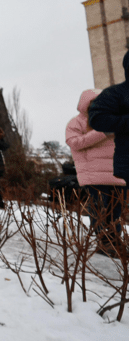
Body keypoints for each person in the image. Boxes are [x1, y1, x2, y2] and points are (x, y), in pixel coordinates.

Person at [67, 89, 126, 256]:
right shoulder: (77, 122)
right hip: (94, 175)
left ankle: (115, 242)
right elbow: (74, 143)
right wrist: (102, 132)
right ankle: (104, 242)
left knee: (116, 211)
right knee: (100, 209)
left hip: (117, 175)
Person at [89, 50, 129, 254]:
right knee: (104, 208)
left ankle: (111, 241)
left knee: (114, 208)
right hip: (100, 171)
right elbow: (79, 141)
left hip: (110, 170)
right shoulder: (117, 95)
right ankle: (107, 241)